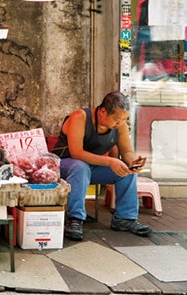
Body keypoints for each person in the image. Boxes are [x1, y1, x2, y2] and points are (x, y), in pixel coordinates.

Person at [51, 91, 151, 241]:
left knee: (127, 171)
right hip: (65, 166)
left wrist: (133, 162)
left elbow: (127, 151)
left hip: (92, 168)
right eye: (117, 119)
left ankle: (125, 219)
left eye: (124, 119)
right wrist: (110, 161)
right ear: (103, 111)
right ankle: (75, 219)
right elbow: (76, 152)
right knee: (80, 166)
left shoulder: (120, 125)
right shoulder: (80, 117)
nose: (120, 123)